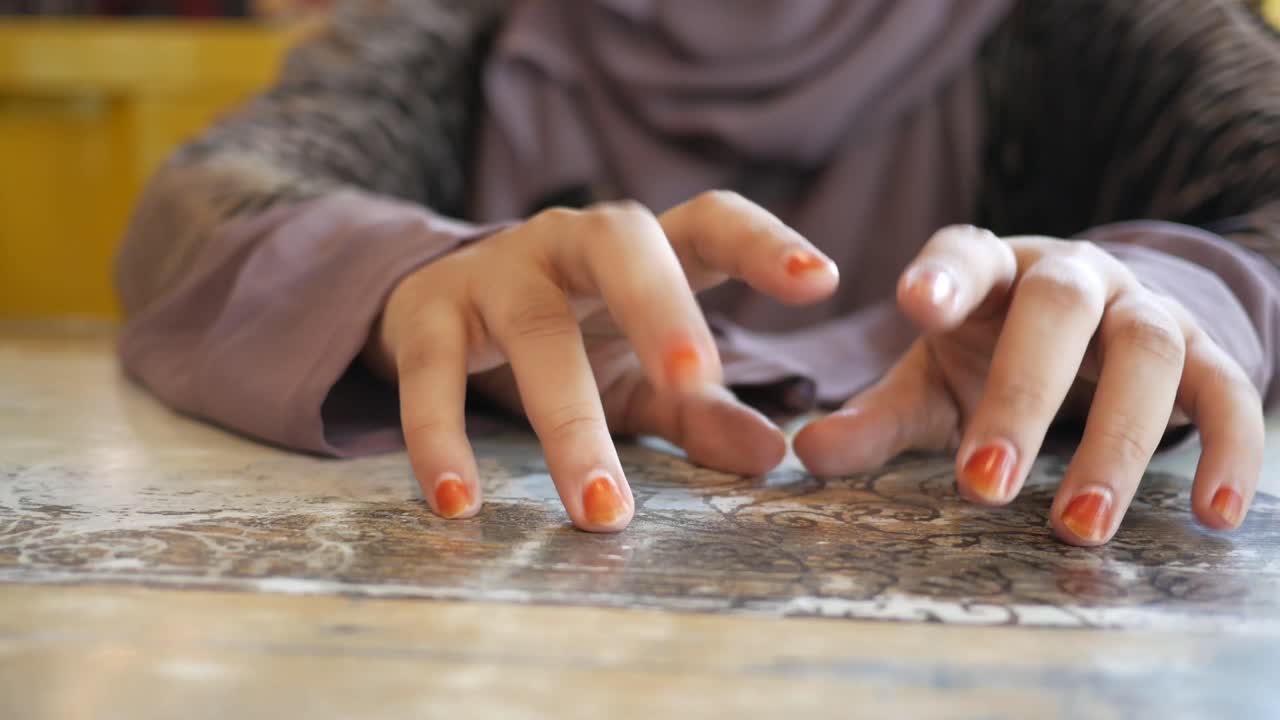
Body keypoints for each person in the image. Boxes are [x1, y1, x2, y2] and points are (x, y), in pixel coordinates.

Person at [114, 0, 1280, 545]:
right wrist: (419, 283)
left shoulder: (1083, 25)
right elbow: (207, 195)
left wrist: (1163, 296)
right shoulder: (466, 30)